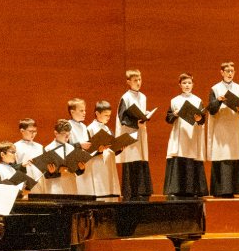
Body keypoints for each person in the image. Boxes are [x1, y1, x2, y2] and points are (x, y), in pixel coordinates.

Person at [207, 61, 239, 197]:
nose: (230, 73)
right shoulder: (215, 88)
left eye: (232, 71)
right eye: (227, 71)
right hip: (221, 126)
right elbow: (211, 110)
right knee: (222, 155)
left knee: (234, 154)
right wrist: (219, 101)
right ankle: (221, 190)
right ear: (221, 72)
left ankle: (235, 189)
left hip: (235, 126)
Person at [163, 73, 209, 198]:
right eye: (184, 83)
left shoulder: (198, 100)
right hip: (179, 135)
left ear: (193, 84)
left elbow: (202, 120)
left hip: (193, 135)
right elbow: (168, 118)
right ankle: (177, 189)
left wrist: (199, 118)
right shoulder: (174, 101)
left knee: (192, 157)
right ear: (180, 85)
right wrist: (175, 114)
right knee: (179, 158)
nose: (187, 85)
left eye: (189, 83)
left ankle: (194, 189)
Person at [117, 69, 154, 201]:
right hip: (130, 134)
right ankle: (130, 193)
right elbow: (122, 117)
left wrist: (145, 115)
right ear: (128, 82)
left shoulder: (143, 97)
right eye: (135, 80)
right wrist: (135, 122)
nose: (138, 82)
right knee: (131, 161)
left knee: (141, 159)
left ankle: (141, 191)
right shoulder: (125, 97)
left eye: (139, 80)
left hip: (140, 132)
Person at [85, 101, 121, 198]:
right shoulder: (90, 129)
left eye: (109, 115)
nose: (108, 118)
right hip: (97, 166)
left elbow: (112, 148)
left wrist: (120, 147)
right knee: (100, 193)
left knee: (110, 193)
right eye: (106, 115)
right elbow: (87, 151)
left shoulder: (108, 129)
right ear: (97, 113)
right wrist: (98, 150)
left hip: (109, 164)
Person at [41, 119, 85, 195]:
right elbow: (46, 174)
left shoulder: (72, 148)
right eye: (64, 134)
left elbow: (77, 171)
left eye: (69, 134)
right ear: (56, 133)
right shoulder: (48, 149)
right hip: (56, 186)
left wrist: (81, 168)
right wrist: (56, 171)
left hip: (71, 185)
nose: (67, 137)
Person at [66, 97, 95, 196]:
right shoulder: (67, 126)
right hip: (74, 167)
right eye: (81, 110)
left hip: (86, 165)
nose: (84, 113)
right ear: (72, 112)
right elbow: (64, 147)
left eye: (85, 110)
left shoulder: (84, 127)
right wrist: (79, 145)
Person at [13, 118, 45, 194]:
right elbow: (12, 168)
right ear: (22, 131)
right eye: (31, 131)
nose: (33, 134)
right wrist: (22, 165)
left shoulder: (40, 147)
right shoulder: (15, 147)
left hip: (40, 183)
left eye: (35, 131)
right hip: (24, 184)